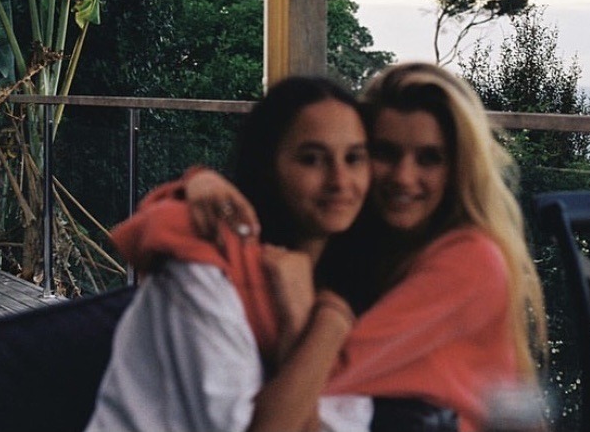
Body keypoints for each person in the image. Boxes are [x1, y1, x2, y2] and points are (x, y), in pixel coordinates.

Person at [118, 62, 549, 431]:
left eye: (429, 158)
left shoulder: (469, 260)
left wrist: (306, 314)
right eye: (384, 153)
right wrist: (202, 183)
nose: (403, 177)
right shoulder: (363, 241)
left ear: (459, 169)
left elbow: (317, 380)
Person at [85, 76, 374, 432]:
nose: (340, 181)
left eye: (354, 158)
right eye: (311, 159)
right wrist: (328, 325)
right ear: (267, 164)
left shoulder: (349, 277)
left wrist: (302, 325)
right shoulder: (201, 266)